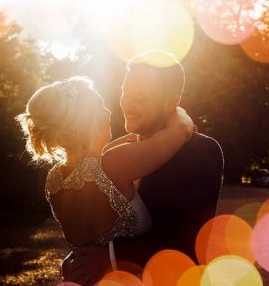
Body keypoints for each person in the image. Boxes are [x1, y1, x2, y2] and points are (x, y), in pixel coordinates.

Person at [61, 51, 224, 284]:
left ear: (171, 102)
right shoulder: (120, 150)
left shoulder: (201, 150)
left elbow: (186, 241)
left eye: (141, 98)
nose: (128, 103)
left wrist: (108, 258)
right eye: (125, 93)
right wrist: (79, 258)